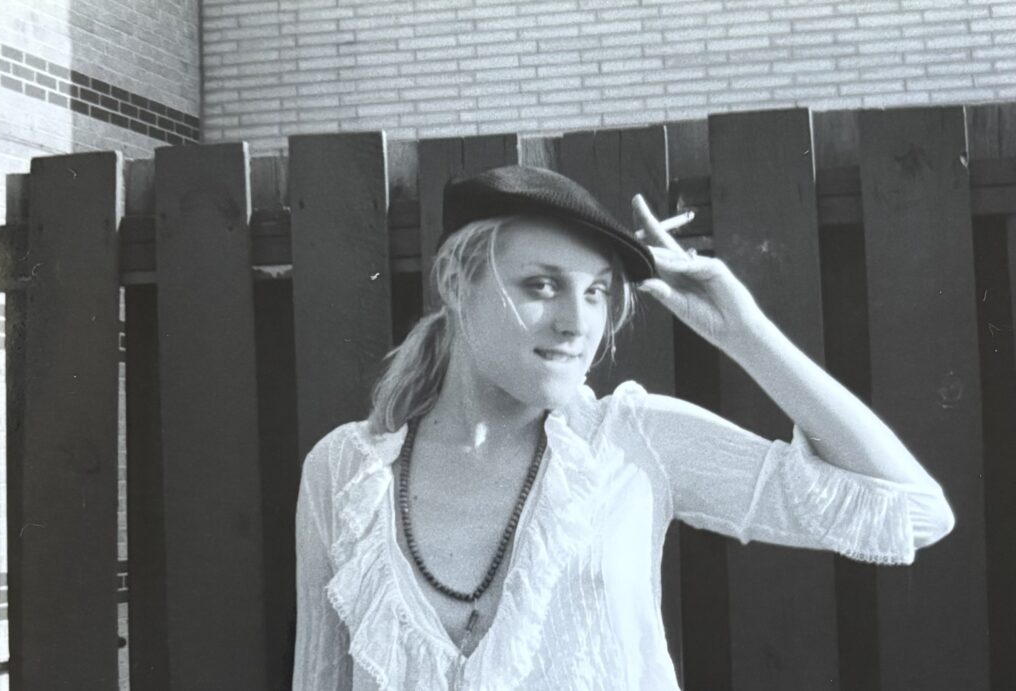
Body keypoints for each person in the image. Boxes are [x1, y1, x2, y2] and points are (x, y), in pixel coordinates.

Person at [292, 165, 955, 690]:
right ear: (454, 281)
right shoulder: (346, 473)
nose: (577, 324)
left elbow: (915, 511)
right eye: (543, 285)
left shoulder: (633, 443)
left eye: (598, 291)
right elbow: (317, 679)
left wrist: (748, 335)